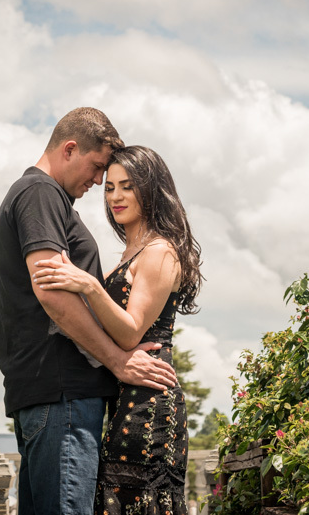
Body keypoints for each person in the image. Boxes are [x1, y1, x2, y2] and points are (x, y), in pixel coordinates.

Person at [0, 110, 180, 515]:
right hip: (63, 393)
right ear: (70, 149)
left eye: (122, 185)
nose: (100, 185)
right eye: (100, 172)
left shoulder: (154, 250)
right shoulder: (40, 193)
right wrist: (116, 361)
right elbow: (52, 293)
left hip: (60, 395)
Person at [33, 145, 203, 515]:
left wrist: (89, 286)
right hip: (125, 396)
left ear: (152, 188)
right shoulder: (131, 253)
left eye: (127, 186)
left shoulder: (160, 251)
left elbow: (130, 333)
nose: (116, 197)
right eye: (109, 187)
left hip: (150, 400)